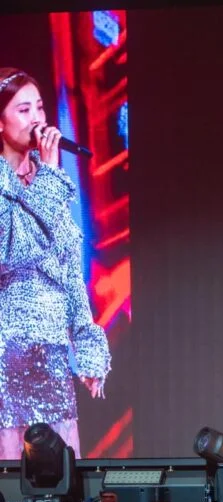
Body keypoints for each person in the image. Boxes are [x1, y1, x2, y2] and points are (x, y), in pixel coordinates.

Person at [0, 68, 110, 460]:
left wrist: (86, 340)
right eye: (23, 109)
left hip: (50, 361)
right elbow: (12, 250)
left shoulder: (48, 181)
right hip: (5, 359)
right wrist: (48, 176)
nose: (37, 119)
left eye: (40, 108)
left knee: (59, 477)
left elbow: (68, 268)